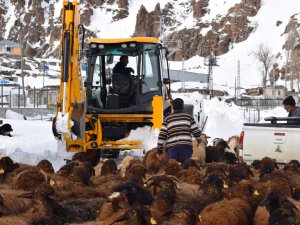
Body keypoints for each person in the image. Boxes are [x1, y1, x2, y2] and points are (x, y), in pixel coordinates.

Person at [156, 98, 202, 164]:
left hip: (172, 150)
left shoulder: (167, 119)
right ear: (183, 106)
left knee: (173, 170)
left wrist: (159, 151)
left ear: (173, 107)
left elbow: (162, 136)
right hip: (186, 149)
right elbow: (196, 132)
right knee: (185, 169)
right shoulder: (189, 117)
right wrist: (199, 141)